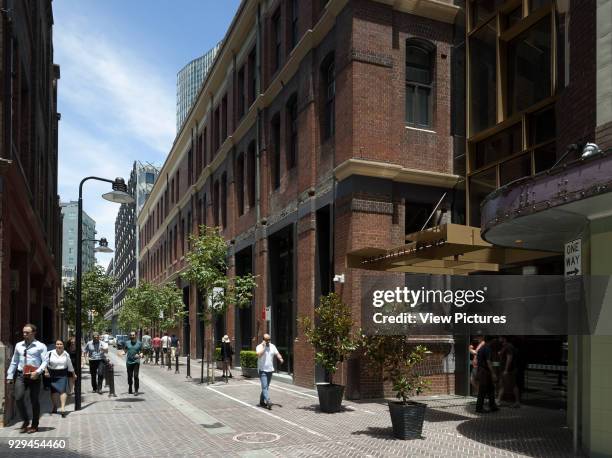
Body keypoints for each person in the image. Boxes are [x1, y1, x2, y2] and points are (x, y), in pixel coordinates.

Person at [7, 323, 48, 433]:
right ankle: (25, 420)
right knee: (18, 397)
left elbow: (45, 361)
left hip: (34, 376)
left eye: (27, 333)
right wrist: (10, 375)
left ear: (34, 333)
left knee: (34, 400)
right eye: (23, 332)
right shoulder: (18, 345)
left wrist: (38, 372)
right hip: (21, 375)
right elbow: (14, 361)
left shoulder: (41, 346)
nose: (24, 334)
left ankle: (34, 425)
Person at [45, 339, 76, 418]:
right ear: (55, 345)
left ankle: (62, 408)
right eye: (57, 344)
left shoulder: (66, 354)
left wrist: (73, 374)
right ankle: (55, 406)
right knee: (53, 392)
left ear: (63, 345)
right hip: (52, 373)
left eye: (60, 344)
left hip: (62, 373)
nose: (59, 346)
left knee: (62, 390)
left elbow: (69, 364)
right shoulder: (50, 353)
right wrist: (46, 371)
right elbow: (44, 363)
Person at [256, 334, 283, 410]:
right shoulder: (259, 346)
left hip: (270, 370)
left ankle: (261, 401)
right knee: (264, 387)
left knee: (266, 387)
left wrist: (280, 358)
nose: (268, 341)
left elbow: (277, 353)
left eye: (269, 339)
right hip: (262, 370)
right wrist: (264, 348)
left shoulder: (272, 346)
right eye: (267, 340)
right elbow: (258, 355)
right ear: (263, 339)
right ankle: (268, 401)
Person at [475, 336, 499, 414]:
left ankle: (492, 406)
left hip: (482, 371)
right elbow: (488, 362)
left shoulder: (482, 348)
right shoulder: (487, 348)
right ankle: (479, 408)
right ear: (491, 340)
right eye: (495, 340)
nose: (496, 342)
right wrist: (493, 373)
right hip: (484, 372)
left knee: (491, 389)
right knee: (483, 390)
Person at [497, 336, 520, 408]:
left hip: (509, 370)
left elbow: (509, 358)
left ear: (504, 338)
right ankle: (498, 401)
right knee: (502, 385)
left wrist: (506, 370)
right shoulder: (504, 346)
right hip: (504, 370)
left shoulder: (509, 346)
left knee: (513, 385)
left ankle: (517, 402)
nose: (499, 339)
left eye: (500, 337)